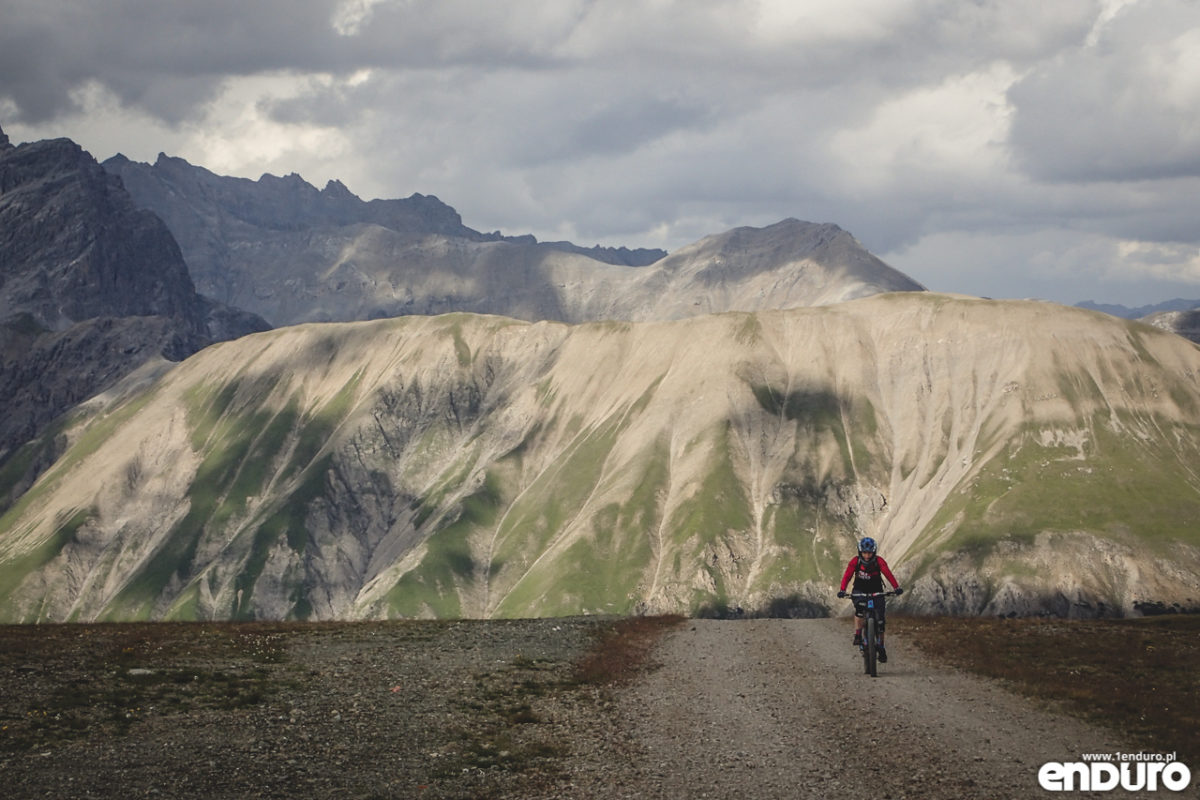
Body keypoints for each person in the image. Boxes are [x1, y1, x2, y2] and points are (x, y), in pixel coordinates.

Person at [837, 537, 903, 662]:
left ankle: (881, 646)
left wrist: (896, 587)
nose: (867, 556)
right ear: (860, 552)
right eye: (864, 553)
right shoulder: (855, 561)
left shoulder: (879, 561)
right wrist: (842, 589)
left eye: (870, 553)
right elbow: (847, 575)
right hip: (859, 591)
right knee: (860, 610)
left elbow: (888, 574)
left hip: (877, 592)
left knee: (881, 622)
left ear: (874, 552)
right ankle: (858, 634)